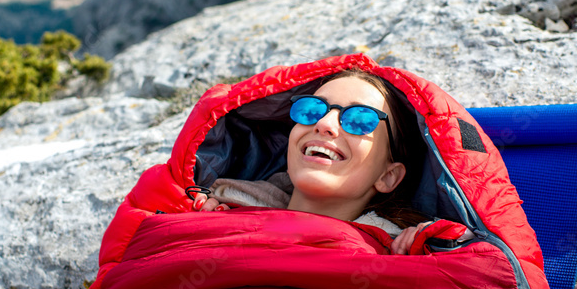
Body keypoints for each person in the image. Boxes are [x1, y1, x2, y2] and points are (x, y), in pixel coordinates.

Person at [189, 68, 474, 253]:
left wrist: (438, 247)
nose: (324, 123)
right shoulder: (217, 204)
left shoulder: (397, 249)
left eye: (359, 120)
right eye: (312, 109)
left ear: (388, 176)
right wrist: (202, 222)